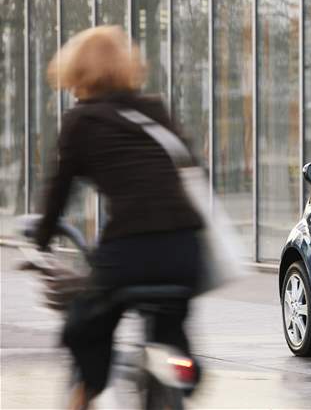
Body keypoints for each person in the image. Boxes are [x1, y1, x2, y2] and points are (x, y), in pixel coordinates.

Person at [33, 26, 204, 409]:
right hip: (184, 250)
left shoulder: (81, 121)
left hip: (130, 250)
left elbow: (59, 192)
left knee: (85, 325)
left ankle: (88, 391)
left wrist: (40, 240)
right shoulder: (155, 110)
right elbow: (193, 169)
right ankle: (184, 370)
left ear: (79, 75)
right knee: (171, 326)